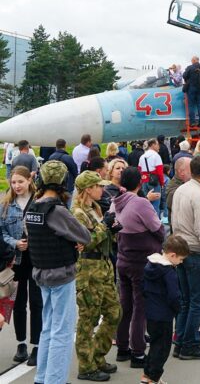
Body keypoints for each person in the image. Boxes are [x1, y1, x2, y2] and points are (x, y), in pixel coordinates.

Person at [27, 161, 91, 384]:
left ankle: (42, 377)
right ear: (65, 182)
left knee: (48, 328)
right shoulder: (58, 210)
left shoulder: (32, 207)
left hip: (41, 274)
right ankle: (55, 380)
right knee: (62, 332)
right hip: (61, 275)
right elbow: (85, 236)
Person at [72, 171, 121, 381]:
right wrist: (105, 227)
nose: (102, 189)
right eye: (98, 186)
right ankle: (86, 365)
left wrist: (113, 229)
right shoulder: (77, 213)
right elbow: (86, 241)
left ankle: (98, 355)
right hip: (88, 268)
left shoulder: (96, 208)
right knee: (88, 319)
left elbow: (100, 235)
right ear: (88, 189)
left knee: (114, 312)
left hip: (104, 265)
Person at [113, 167, 165, 368]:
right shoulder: (140, 203)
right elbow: (157, 228)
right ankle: (137, 350)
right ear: (140, 183)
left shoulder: (117, 202)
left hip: (123, 257)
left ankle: (122, 347)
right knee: (140, 307)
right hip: (140, 260)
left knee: (125, 305)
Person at [172, 155, 200, 360]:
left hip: (181, 249)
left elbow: (175, 220)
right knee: (197, 301)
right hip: (196, 252)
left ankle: (180, 340)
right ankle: (189, 343)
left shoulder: (182, 190)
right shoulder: (198, 196)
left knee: (185, 300)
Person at [0, 166, 40, 366]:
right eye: (13, 182)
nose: (17, 186)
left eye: (20, 182)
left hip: (37, 260)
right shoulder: (6, 204)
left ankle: (36, 346)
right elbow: (1, 232)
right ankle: (21, 344)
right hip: (16, 260)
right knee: (18, 303)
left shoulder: (38, 201)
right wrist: (14, 242)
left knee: (36, 302)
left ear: (29, 181)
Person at [141, 235, 189, 384]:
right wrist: (178, 308)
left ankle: (148, 374)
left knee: (154, 346)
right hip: (164, 315)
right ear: (173, 255)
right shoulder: (169, 272)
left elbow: (143, 288)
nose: (180, 263)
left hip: (151, 313)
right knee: (162, 350)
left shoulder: (150, 266)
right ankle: (152, 378)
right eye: (180, 259)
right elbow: (173, 295)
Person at [138, 138, 165, 216]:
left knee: (146, 203)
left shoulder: (142, 156)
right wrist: (162, 183)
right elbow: (160, 172)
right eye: (157, 144)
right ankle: (156, 223)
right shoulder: (156, 156)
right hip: (154, 181)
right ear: (153, 145)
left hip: (144, 180)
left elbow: (139, 170)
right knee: (156, 204)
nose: (158, 146)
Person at [48, 139, 79, 206]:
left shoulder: (51, 157)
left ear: (56, 146)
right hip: (67, 186)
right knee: (67, 205)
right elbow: (75, 171)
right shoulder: (68, 158)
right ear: (65, 146)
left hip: (55, 185)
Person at [182, 55, 200, 127]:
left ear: (193, 60)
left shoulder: (190, 67)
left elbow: (184, 76)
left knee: (191, 105)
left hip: (192, 88)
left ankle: (193, 122)